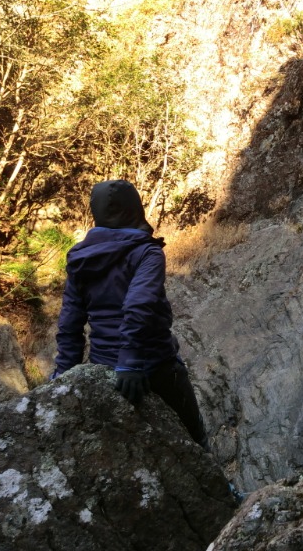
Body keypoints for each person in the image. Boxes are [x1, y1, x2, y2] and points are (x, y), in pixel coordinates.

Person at [51, 179, 209, 451]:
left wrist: (64, 373)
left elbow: (70, 319)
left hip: (101, 368)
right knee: (194, 440)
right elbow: (140, 305)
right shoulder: (147, 252)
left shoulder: (79, 256)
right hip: (153, 366)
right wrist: (130, 361)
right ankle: (222, 490)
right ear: (134, 208)